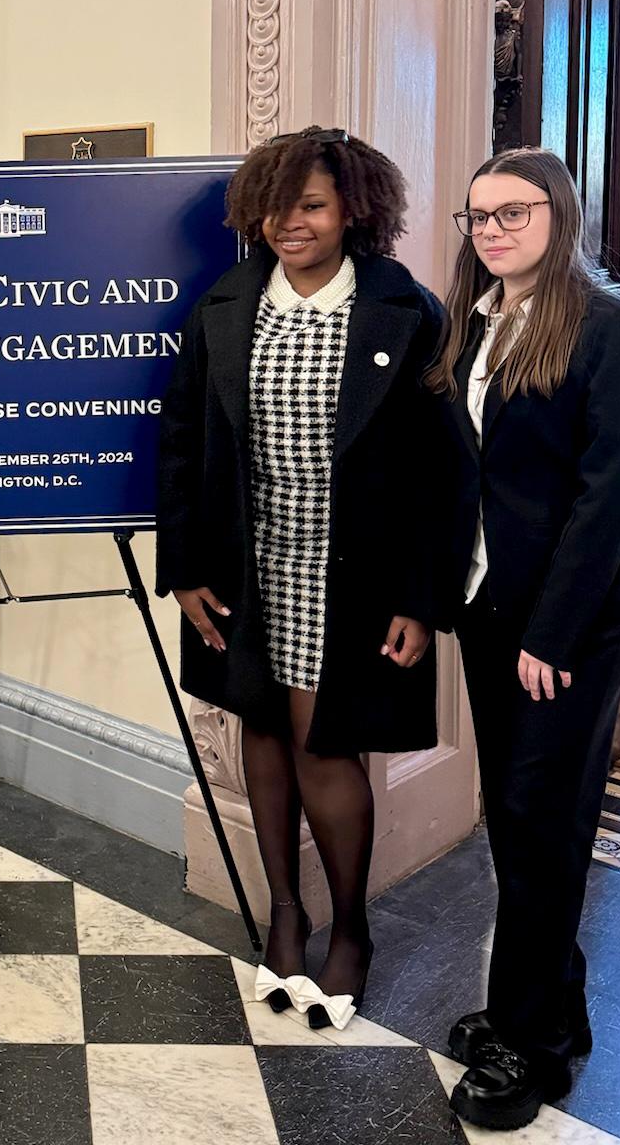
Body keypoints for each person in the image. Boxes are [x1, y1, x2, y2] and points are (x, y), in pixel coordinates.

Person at [156, 127, 444, 1031]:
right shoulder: (227, 303)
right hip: (247, 566)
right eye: (278, 208)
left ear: (353, 209)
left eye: (312, 206)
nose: (292, 224)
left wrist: (422, 596)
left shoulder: (408, 309)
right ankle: (286, 912)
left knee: (327, 744)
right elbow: (184, 446)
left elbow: (445, 471)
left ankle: (351, 930)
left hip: (354, 574)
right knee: (263, 730)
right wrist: (184, 572)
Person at [432, 148, 620, 1130]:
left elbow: (609, 498)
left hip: (569, 621)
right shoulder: (478, 325)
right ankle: (547, 1023)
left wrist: (554, 633)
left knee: (542, 821)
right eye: (478, 216)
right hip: (492, 606)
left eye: (512, 213)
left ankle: (528, 1049)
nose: (492, 230)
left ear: (557, 216)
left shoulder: (607, 327)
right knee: (519, 818)